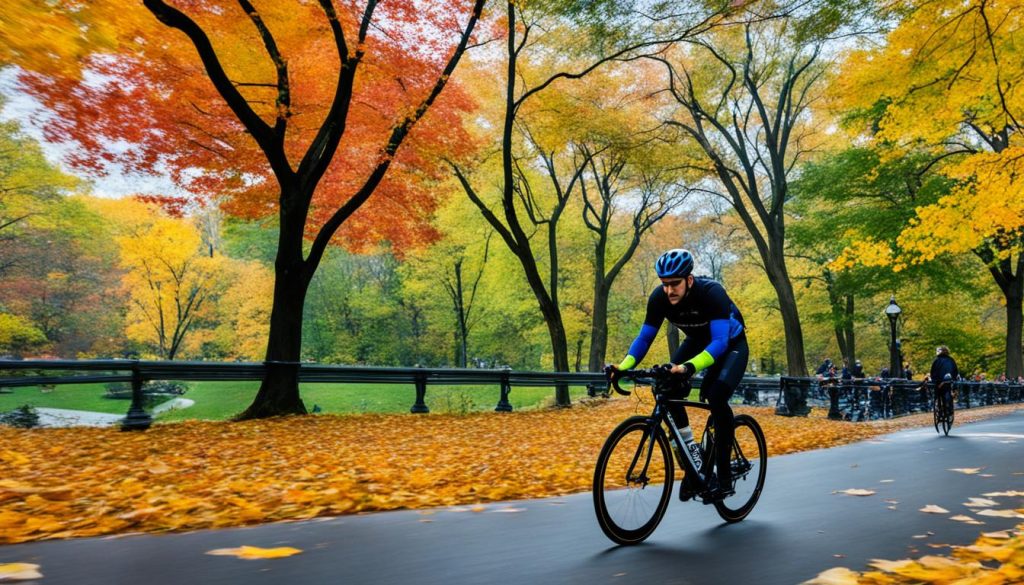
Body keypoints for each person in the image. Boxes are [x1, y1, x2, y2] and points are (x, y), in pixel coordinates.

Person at [608, 248, 747, 502]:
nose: (669, 290)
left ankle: (724, 477)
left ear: (689, 280)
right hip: (697, 341)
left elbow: (718, 343)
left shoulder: (711, 293)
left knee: (716, 396)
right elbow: (645, 338)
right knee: (667, 387)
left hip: (730, 344)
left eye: (675, 284)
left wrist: (687, 367)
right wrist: (624, 366)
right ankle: (696, 463)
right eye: (665, 284)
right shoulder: (659, 299)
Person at [929, 345, 959, 414]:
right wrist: (954, 379)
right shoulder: (951, 360)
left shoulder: (936, 360)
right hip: (948, 380)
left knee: (938, 394)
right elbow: (955, 371)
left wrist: (933, 379)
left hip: (938, 381)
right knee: (948, 392)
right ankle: (949, 409)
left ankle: (939, 408)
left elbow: (932, 372)